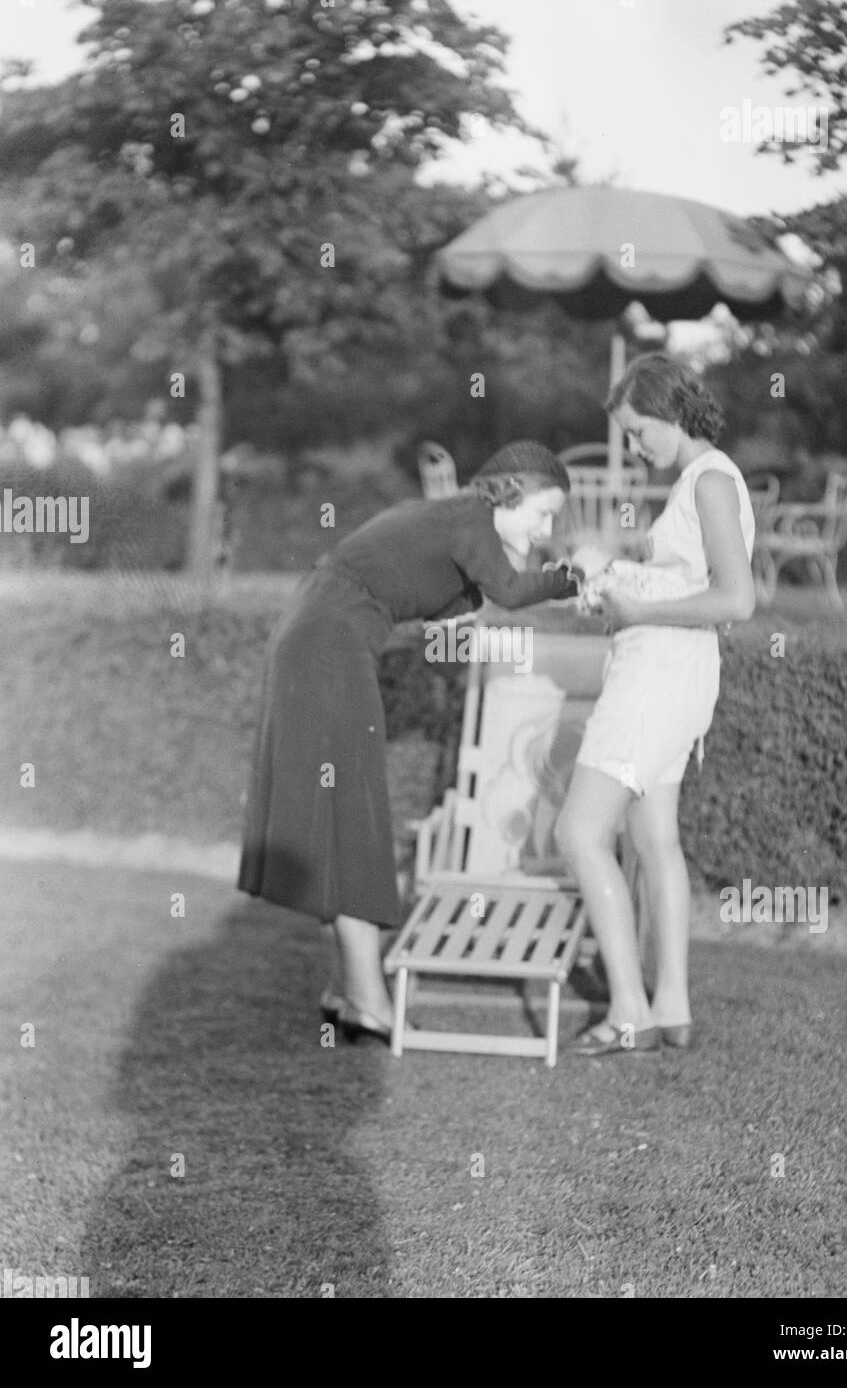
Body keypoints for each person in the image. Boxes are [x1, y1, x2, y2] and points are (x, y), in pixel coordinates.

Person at [238, 441, 577, 1044]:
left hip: (317, 640)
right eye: (542, 514)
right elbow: (512, 591)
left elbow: (451, 606)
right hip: (329, 649)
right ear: (510, 493)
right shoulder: (470, 517)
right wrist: (576, 577)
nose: (547, 529)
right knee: (351, 819)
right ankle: (367, 1002)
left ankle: (347, 990)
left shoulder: (453, 521)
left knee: (336, 816)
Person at [554, 353, 756, 1056]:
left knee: (578, 835)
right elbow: (685, 570)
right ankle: (671, 1005)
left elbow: (737, 598)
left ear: (673, 412)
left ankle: (629, 1009)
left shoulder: (707, 482)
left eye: (641, 432)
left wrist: (632, 604)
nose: (637, 448)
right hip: (679, 677)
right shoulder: (704, 481)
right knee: (653, 840)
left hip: (656, 680)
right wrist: (616, 563)